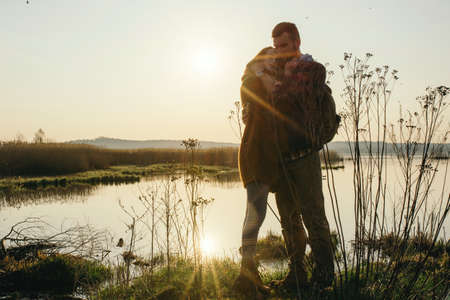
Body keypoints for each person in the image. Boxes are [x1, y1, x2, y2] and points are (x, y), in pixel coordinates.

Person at [270, 22, 335, 290]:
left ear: (297, 42)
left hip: (305, 156)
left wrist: (284, 80)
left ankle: (324, 279)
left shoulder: (311, 70)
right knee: (288, 220)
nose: (279, 51)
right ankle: (297, 275)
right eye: (275, 47)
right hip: (281, 158)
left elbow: (303, 102)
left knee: (314, 217)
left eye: (283, 45)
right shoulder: (273, 71)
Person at [233, 46, 280, 298]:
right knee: (255, 214)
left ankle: (247, 275)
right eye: (270, 59)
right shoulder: (252, 81)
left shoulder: (262, 79)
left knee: (256, 214)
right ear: (260, 61)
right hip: (255, 154)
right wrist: (261, 74)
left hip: (266, 155)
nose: (274, 63)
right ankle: (247, 276)